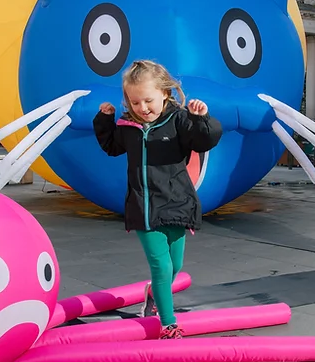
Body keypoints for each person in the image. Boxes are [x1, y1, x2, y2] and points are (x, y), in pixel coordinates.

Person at [94, 60, 222, 339]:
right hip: (144, 208)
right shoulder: (128, 127)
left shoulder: (179, 120)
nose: (143, 108)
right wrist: (105, 119)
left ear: (165, 93)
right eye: (135, 102)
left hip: (177, 205)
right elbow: (111, 146)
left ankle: (152, 293)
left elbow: (205, 141)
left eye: (148, 100)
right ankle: (167, 322)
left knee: (175, 268)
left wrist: (202, 119)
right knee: (162, 267)